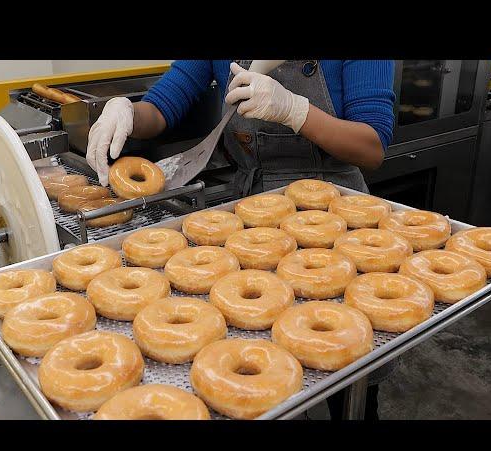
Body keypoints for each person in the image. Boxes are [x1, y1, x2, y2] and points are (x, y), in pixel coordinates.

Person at [86, 60, 396, 419]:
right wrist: (126, 111)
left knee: (348, 379)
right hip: (251, 219)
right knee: (257, 370)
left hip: (339, 219)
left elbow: (373, 147)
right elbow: (163, 106)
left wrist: (296, 111)